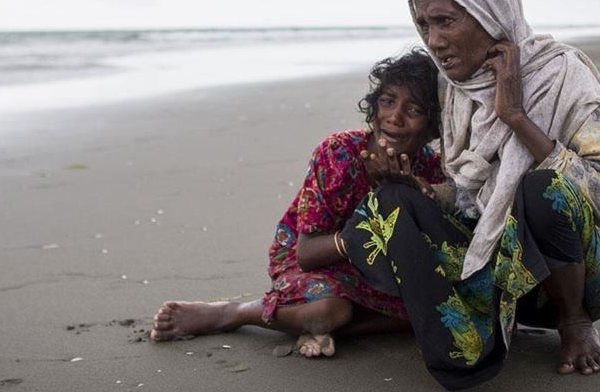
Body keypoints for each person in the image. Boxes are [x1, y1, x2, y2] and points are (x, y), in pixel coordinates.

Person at [340, 0, 600, 390]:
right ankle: (466, 344)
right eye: (424, 25)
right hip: (497, 277)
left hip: (580, 281)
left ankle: (575, 323)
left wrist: (516, 116)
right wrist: (422, 191)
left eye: (446, 22)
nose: (434, 41)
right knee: (390, 204)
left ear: (490, 14)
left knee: (540, 188)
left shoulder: (563, 75)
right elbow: (470, 195)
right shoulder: (452, 89)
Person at [151, 49, 446, 357]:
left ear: (431, 128)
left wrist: (407, 191)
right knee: (328, 310)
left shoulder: (431, 170)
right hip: (315, 259)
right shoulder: (339, 154)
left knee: (436, 311)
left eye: (414, 110)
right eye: (387, 101)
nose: (394, 117)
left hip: (380, 270)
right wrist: (380, 207)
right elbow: (307, 255)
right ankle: (235, 313)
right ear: (373, 108)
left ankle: (327, 329)